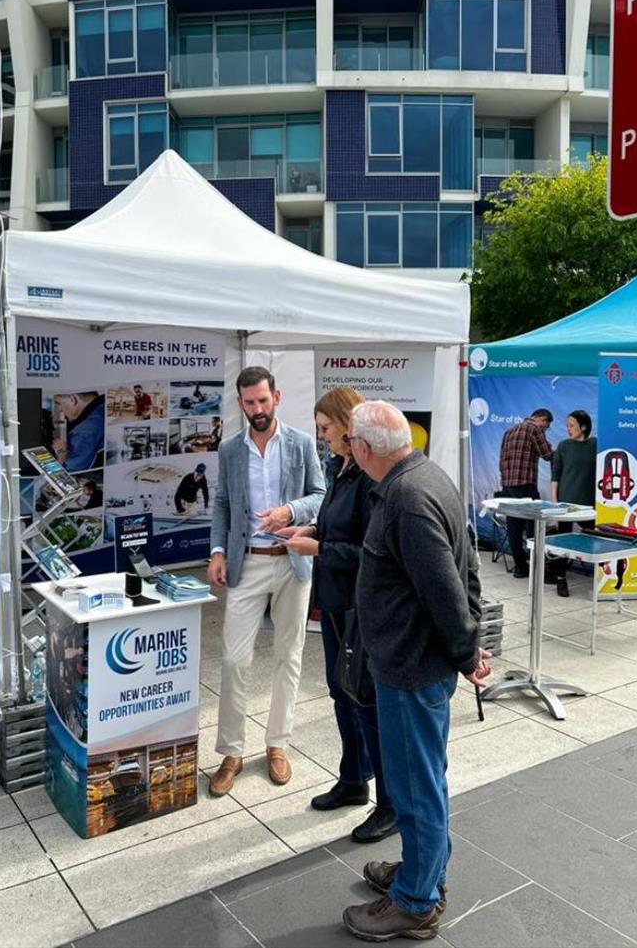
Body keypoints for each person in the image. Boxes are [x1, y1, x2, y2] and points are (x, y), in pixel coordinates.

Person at [340, 401, 490, 943]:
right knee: (419, 781)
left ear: (362, 448)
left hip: (411, 669)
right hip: (411, 664)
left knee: (415, 787)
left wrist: (467, 650)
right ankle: (421, 873)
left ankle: (416, 901)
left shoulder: (407, 497)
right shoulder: (425, 476)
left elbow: (446, 590)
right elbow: (466, 564)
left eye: (347, 444)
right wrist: (468, 642)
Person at [280, 387, 395, 844]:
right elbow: (337, 522)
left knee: (366, 702)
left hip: (358, 607)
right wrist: (308, 528)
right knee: (340, 693)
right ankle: (353, 779)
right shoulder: (341, 468)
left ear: (349, 426)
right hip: (334, 603)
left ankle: (389, 804)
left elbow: (372, 549)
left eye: (325, 428)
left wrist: (320, 547)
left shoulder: (370, 475)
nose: (321, 436)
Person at [207, 366, 326, 795]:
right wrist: (218, 551)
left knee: (288, 656)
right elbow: (222, 504)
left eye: (263, 400)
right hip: (247, 563)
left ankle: (278, 743)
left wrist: (291, 512)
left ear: (276, 397)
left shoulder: (301, 443)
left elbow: (321, 495)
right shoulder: (230, 450)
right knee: (235, 660)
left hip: (292, 561)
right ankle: (231, 751)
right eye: (249, 402)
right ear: (240, 403)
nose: (258, 409)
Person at [498, 408, 554, 578]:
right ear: (542, 419)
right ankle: (537, 569)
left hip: (508, 486)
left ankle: (520, 568)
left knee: (514, 528)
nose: (546, 430)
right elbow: (547, 454)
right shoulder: (534, 429)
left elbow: (501, 459)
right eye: (547, 426)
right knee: (533, 526)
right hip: (525, 484)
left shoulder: (509, 431)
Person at [550, 410, 597, 597]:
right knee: (562, 541)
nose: (568, 429)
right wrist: (554, 502)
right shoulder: (563, 446)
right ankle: (560, 579)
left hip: (590, 504)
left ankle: (601, 579)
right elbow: (556, 476)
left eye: (572, 425)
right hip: (566, 504)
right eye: (567, 425)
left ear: (583, 426)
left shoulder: (596, 444)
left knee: (596, 539)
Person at [52, 392, 105, 472]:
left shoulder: (82, 432)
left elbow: (68, 472)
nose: (59, 409)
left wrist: (61, 454)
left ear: (72, 399)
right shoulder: (104, 407)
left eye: (58, 403)